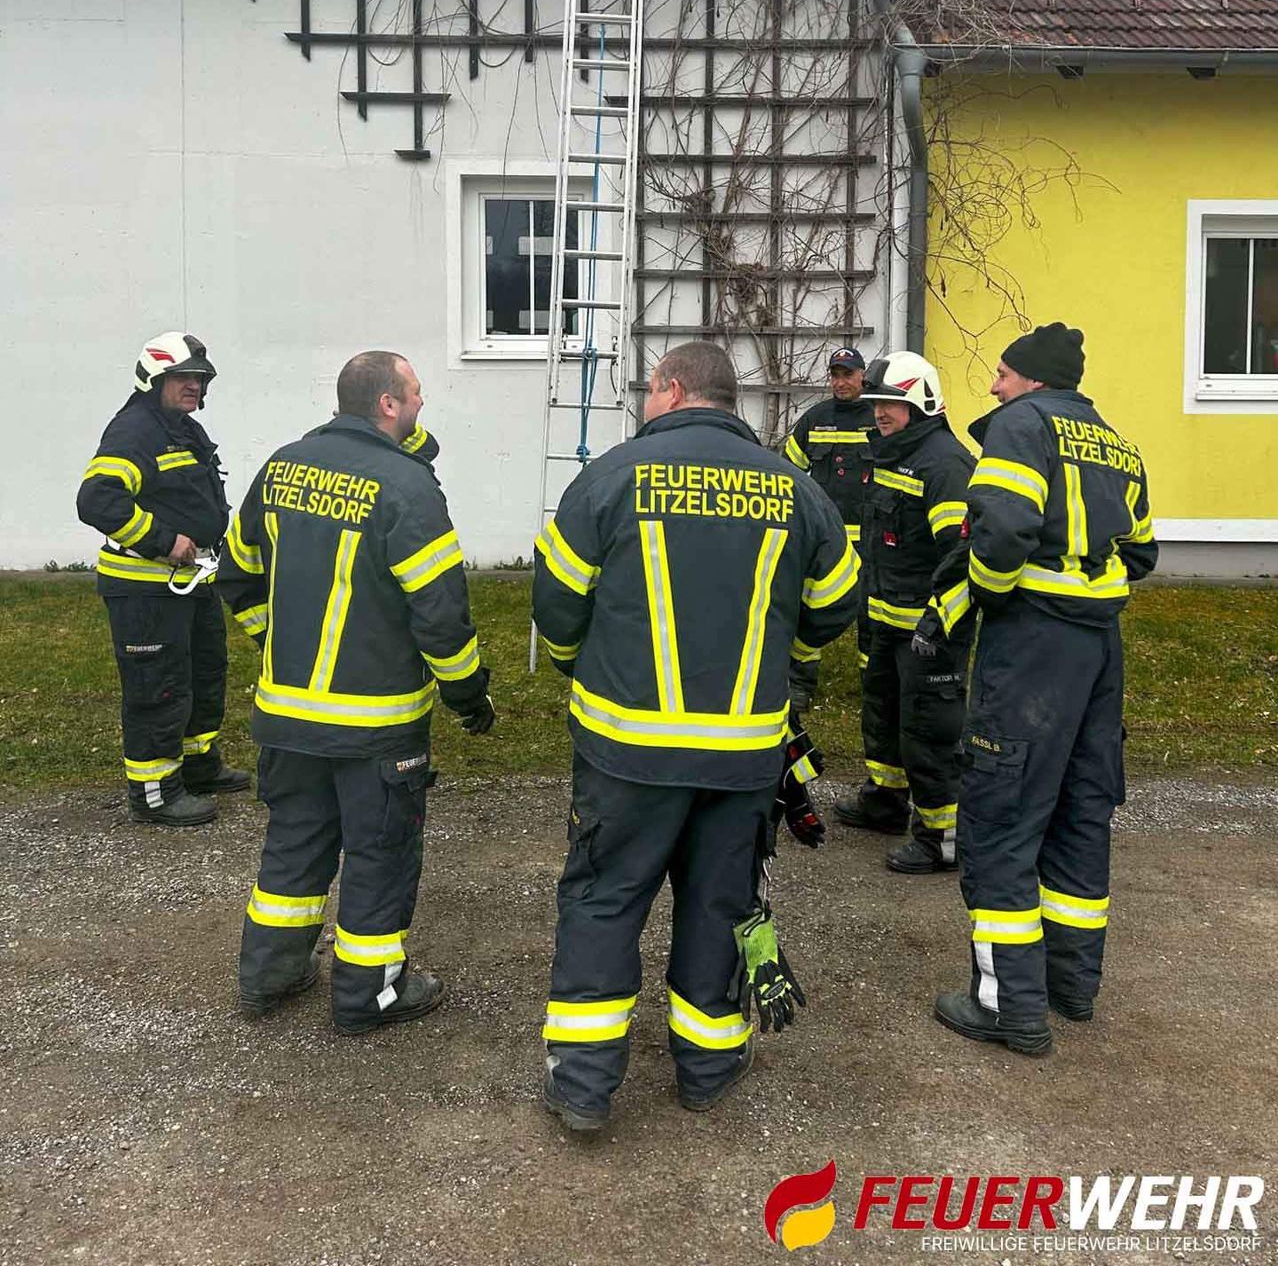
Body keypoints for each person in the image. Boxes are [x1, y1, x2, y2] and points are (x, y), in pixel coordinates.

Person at [532, 341, 861, 1131]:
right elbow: (838, 598)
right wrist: (794, 659)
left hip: (627, 750)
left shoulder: (610, 478)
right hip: (743, 753)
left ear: (671, 390)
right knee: (719, 901)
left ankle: (582, 1083)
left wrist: (585, 665)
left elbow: (557, 603)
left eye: (649, 392)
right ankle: (709, 1064)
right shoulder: (797, 491)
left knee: (606, 899)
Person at [218, 351, 495, 1035]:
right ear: (389, 406)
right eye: (417, 393)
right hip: (376, 727)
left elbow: (237, 573)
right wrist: (468, 697)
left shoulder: (282, 467)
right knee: (380, 853)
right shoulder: (407, 487)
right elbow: (440, 613)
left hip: (287, 717)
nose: (424, 403)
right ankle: (370, 994)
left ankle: (270, 975)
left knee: (295, 842)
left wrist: (272, 644)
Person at [933, 323, 1158, 1056]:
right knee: (1079, 813)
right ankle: (1071, 987)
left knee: (1002, 818)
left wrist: (991, 597)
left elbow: (998, 533)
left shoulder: (1019, 427)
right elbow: (1144, 550)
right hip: (1101, 649)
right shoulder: (1115, 441)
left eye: (1000, 373)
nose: (993, 386)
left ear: (1029, 379)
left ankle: (1010, 1008)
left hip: (1032, 646)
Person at [76, 333, 248, 827]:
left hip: (189, 584)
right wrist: (161, 538)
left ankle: (196, 767)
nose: (194, 386)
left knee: (203, 675)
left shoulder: (180, 428)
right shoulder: (136, 431)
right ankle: (155, 792)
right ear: (155, 379)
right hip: (146, 588)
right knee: (159, 689)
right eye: (183, 378)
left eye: (199, 378)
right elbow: (97, 500)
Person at [831, 351, 975, 874]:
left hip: (928, 630)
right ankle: (886, 801)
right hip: (885, 623)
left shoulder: (944, 465)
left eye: (891, 403)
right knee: (884, 716)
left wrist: (939, 623)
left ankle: (942, 837)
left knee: (929, 731)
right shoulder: (890, 455)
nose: (880, 413)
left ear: (922, 402)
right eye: (876, 404)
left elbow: (961, 558)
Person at [783, 345, 877, 692]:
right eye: (835, 375)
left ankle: (873, 686)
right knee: (808, 606)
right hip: (825, 539)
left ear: (862, 375)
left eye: (847, 375)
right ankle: (800, 685)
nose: (840, 382)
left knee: (871, 615)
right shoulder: (814, 419)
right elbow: (790, 473)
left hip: (871, 537)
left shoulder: (878, 418)